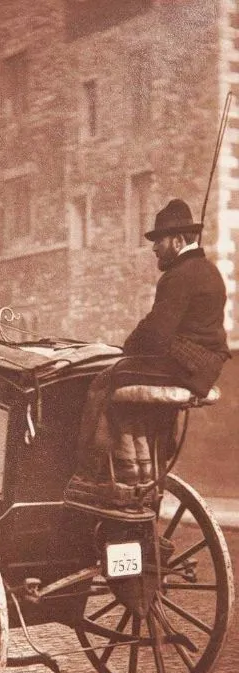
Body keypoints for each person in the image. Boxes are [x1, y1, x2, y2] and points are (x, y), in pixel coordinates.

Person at [72, 198, 231, 489]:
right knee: (126, 380)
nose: (154, 247)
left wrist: (127, 348)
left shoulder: (179, 276)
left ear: (178, 241)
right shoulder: (209, 271)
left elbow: (157, 334)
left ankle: (88, 472)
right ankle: (144, 463)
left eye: (160, 240)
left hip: (185, 365)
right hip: (204, 366)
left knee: (103, 381)